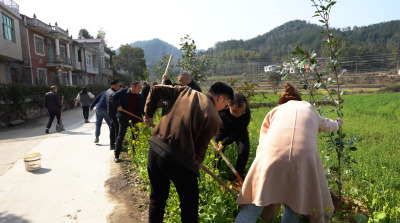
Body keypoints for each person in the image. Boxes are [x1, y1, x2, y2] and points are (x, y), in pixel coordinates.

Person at [234, 83, 343, 223]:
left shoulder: (275, 111)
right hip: (303, 160)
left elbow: (262, 143)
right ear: (300, 99)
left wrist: (260, 173)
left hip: (271, 155)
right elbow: (329, 125)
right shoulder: (309, 109)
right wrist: (338, 123)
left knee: (253, 206)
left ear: (281, 102)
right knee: (293, 204)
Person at [143, 82, 234, 223]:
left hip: (155, 149)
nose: (225, 107)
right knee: (189, 207)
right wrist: (196, 166)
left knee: (157, 199)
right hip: (178, 161)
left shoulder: (184, 91)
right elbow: (200, 149)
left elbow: (155, 89)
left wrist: (149, 114)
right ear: (221, 98)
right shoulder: (214, 118)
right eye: (226, 103)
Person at [215, 93, 251, 180]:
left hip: (240, 131)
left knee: (244, 150)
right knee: (218, 150)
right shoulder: (222, 109)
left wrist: (224, 142)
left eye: (241, 112)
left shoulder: (246, 113)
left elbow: (239, 132)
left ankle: (239, 175)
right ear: (229, 105)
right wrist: (221, 143)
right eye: (235, 112)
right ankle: (216, 173)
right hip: (223, 129)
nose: (238, 115)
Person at [112, 81, 145, 163]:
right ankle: (116, 155)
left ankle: (135, 155)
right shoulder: (123, 92)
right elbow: (113, 97)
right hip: (123, 118)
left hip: (135, 119)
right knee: (120, 137)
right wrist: (118, 105)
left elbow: (143, 108)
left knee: (135, 137)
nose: (140, 90)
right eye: (139, 88)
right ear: (133, 87)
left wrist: (146, 116)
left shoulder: (140, 97)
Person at [106, 80, 122, 150]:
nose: (119, 87)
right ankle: (117, 146)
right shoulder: (112, 93)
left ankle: (112, 144)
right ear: (113, 85)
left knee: (112, 129)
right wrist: (118, 106)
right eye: (118, 86)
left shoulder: (108, 91)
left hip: (111, 112)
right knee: (117, 129)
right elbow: (113, 100)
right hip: (114, 113)